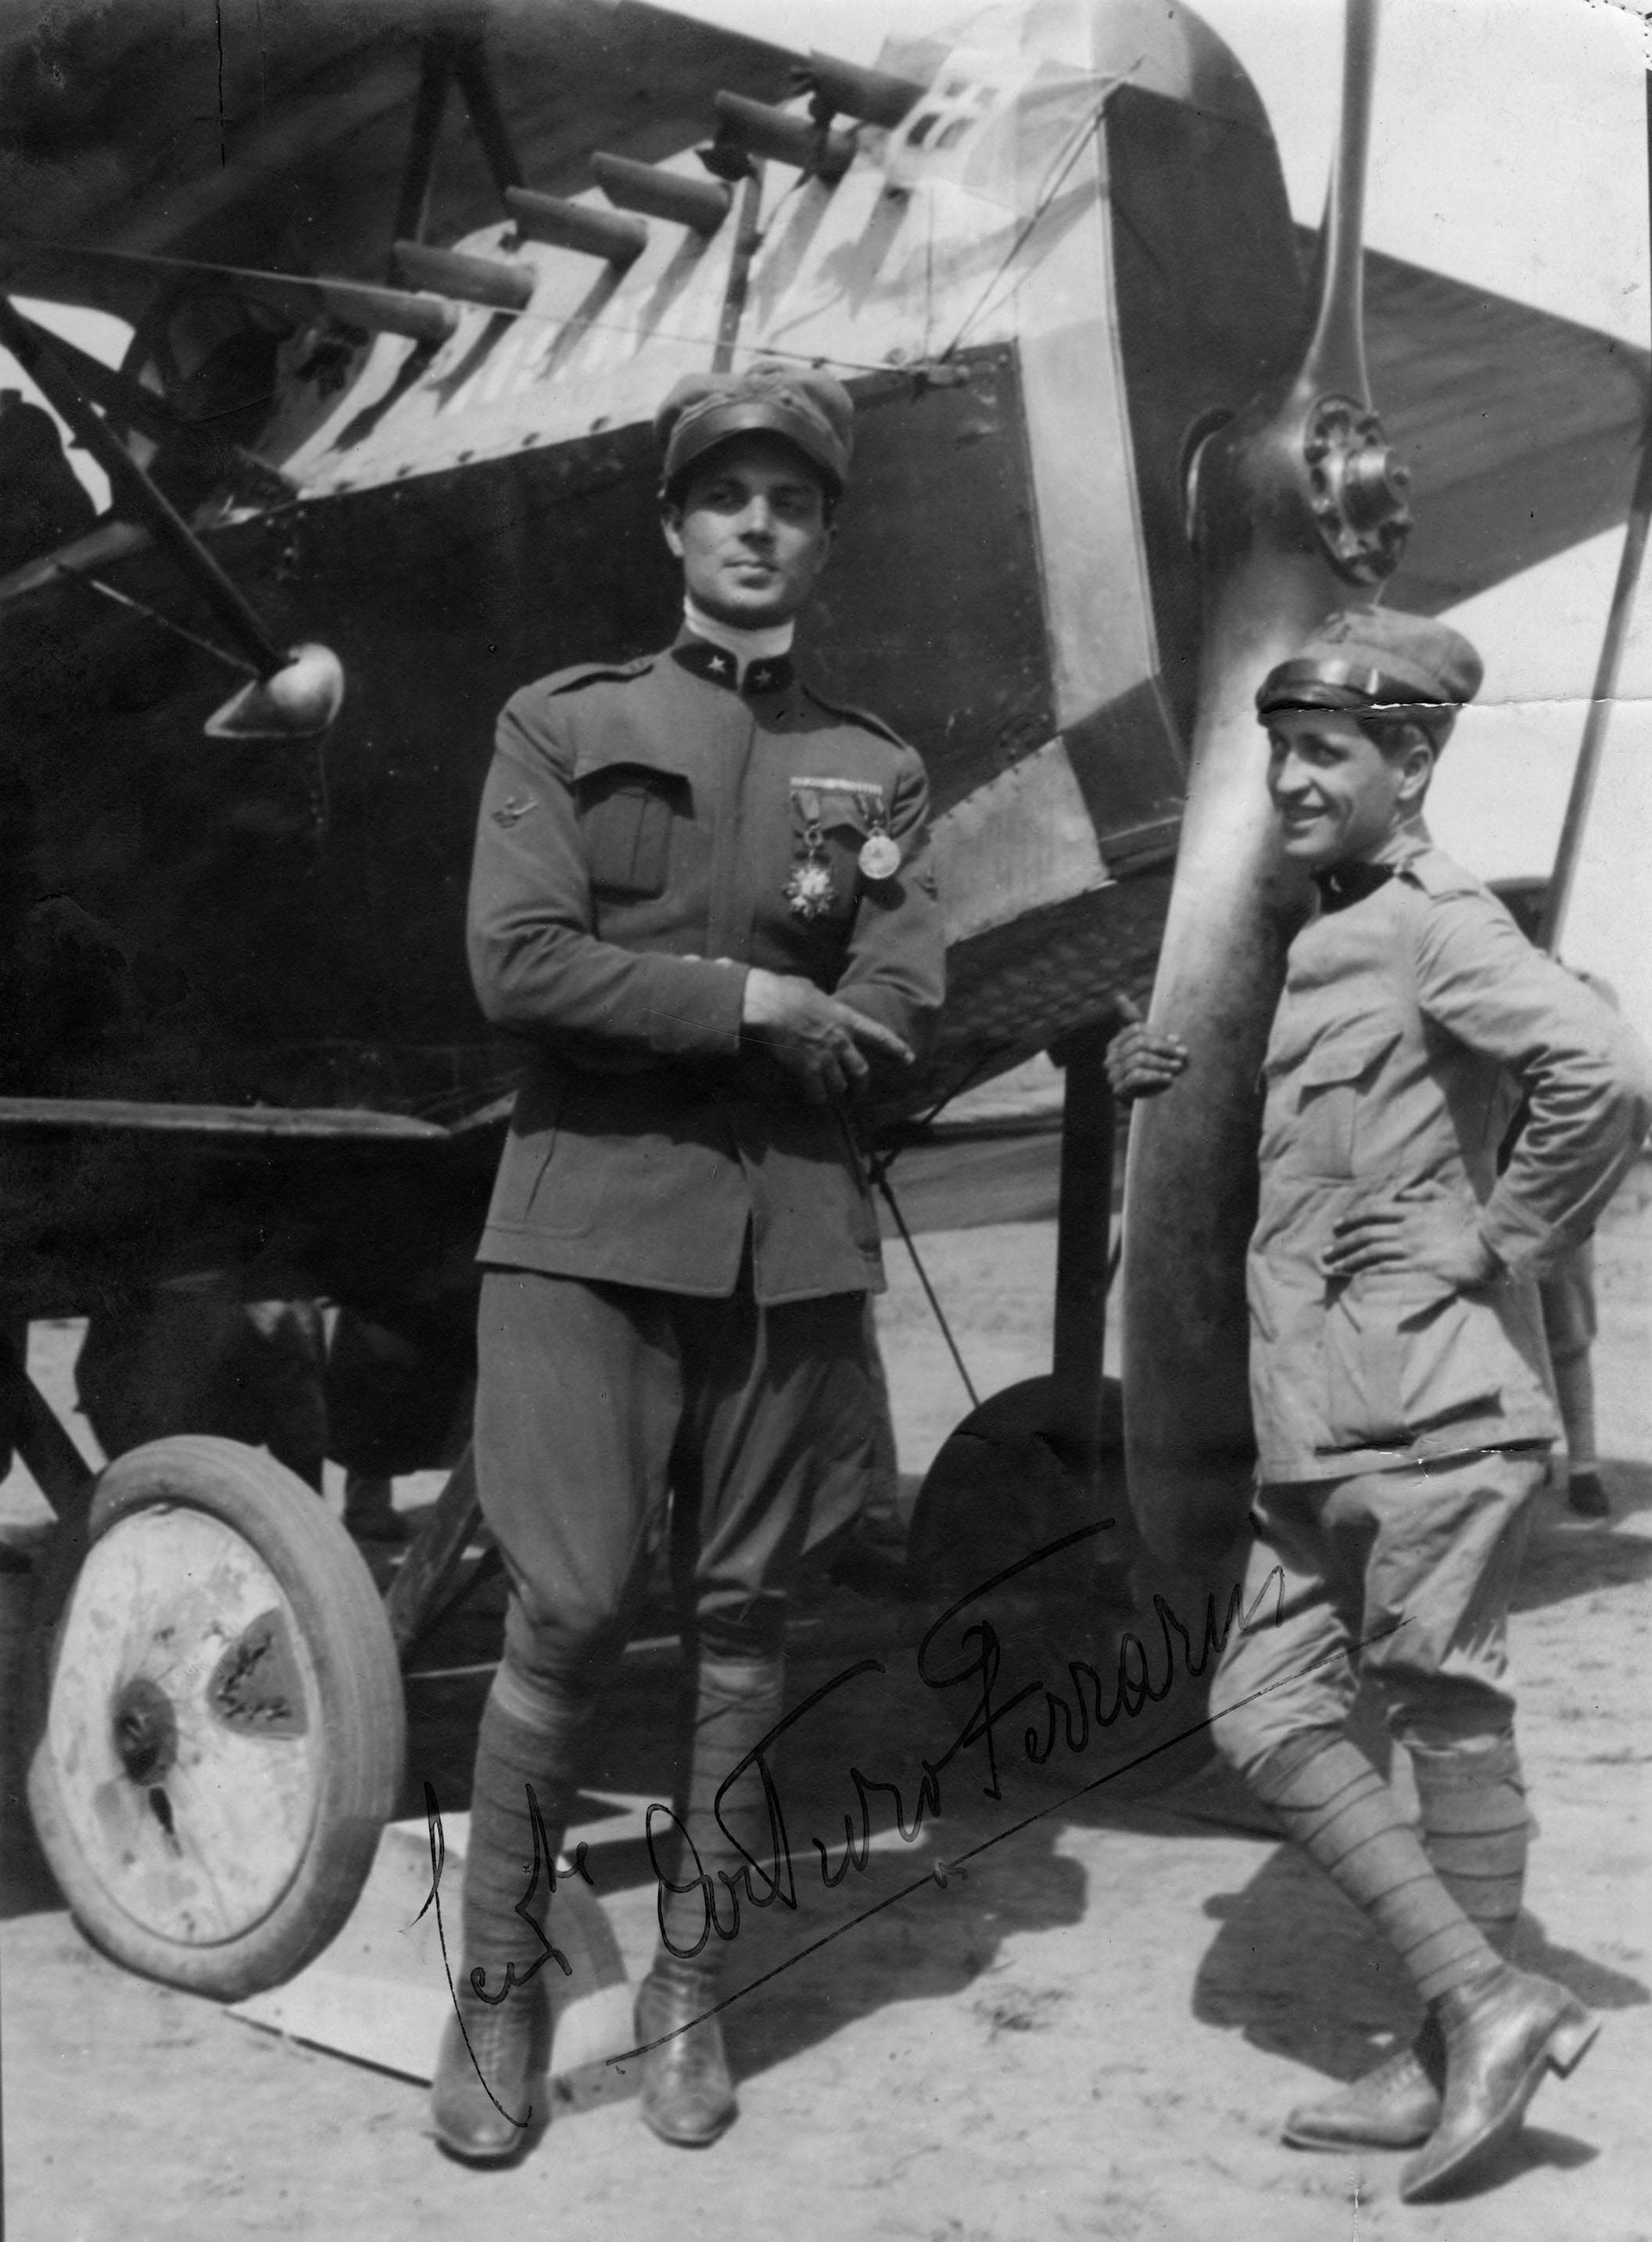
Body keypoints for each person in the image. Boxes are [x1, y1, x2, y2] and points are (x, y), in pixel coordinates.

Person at [435, 361, 944, 2162]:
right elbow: (519, 962)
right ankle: (498, 1994)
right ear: (672, 523)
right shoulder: (560, 724)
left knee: (745, 1625)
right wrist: (752, 1003)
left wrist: (813, 1013)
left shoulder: (876, 768)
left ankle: (688, 1992)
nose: (756, 526)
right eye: (725, 496)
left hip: (786, 1249)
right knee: (568, 1611)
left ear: (825, 537)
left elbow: (901, 998)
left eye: (791, 503)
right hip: (584, 1233)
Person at [1108, 607, 1651, 2203]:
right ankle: (1476, 2004)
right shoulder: (1323, 935)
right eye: (1278, 748)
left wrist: (1494, 1239)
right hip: (1322, 1422)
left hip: (1428, 1410)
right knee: (1262, 1715)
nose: (1288, 777)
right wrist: (1161, 1080)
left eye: (1325, 751)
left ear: (1408, 765)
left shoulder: (1432, 919)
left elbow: (1603, 1071)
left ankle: (1455, 2038)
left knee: (1441, 1709)